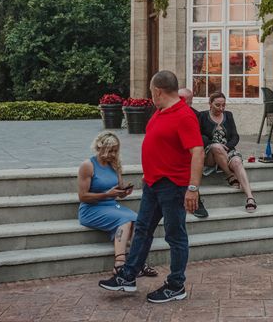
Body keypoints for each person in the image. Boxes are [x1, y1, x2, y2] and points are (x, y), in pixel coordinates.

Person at [98, 70, 205, 304]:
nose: (151, 95)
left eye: (151, 91)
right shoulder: (160, 112)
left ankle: (176, 285)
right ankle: (128, 275)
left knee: (175, 236)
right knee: (143, 228)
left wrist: (193, 188)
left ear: (157, 91)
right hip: (154, 183)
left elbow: (197, 151)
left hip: (174, 186)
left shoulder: (184, 115)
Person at [78, 131, 158, 276]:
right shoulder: (88, 165)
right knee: (125, 220)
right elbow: (82, 196)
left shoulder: (114, 165)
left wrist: (124, 192)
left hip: (111, 206)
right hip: (91, 209)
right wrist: (107, 194)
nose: (113, 154)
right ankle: (119, 263)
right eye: (110, 150)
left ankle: (138, 262)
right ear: (100, 147)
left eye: (115, 151)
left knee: (138, 220)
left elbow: (118, 190)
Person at [198, 92, 257, 212]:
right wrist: (212, 144)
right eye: (217, 105)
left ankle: (250, 198)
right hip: (210, 153)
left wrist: (227, 146)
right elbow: (199, 137)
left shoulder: (228, 115)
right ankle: (230, 176)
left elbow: (235, 136)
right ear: (210, 104)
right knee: (217, 147)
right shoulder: (202, 116)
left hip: (228, 150)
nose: (221, 108)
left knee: (236, 161)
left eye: (223, 105)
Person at [178, 87, 208, 219]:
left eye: (182, 100)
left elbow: (203, 137)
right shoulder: (165, 111)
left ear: (189, 101)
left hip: (188, 151)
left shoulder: (196, 115)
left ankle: (196, 201)